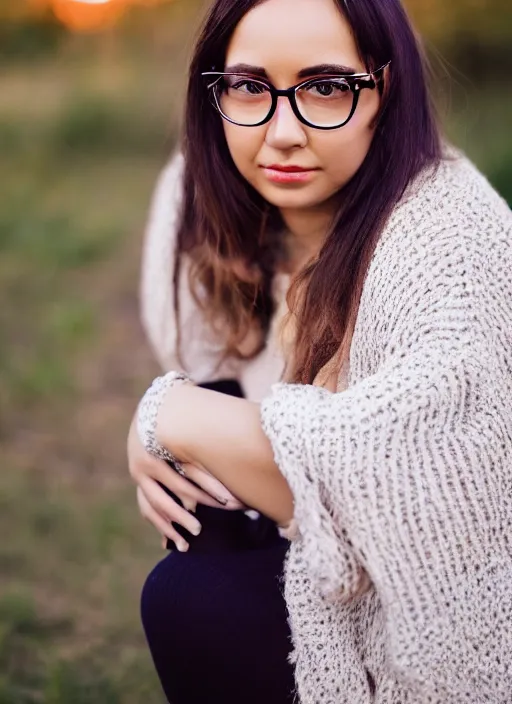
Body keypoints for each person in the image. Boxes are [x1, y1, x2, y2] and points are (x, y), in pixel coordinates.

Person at [128, 0, 512, 701]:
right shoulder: (199, 203)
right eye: (248, 86)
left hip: (439, 590)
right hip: (312, 531)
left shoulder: (451, 242)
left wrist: (164, 416)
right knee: (202, 501)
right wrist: (179, 419)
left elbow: (423, 516)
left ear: (383, 91)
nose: (282, 133)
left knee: (189, 594)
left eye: (326, 87)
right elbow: (211, 384)